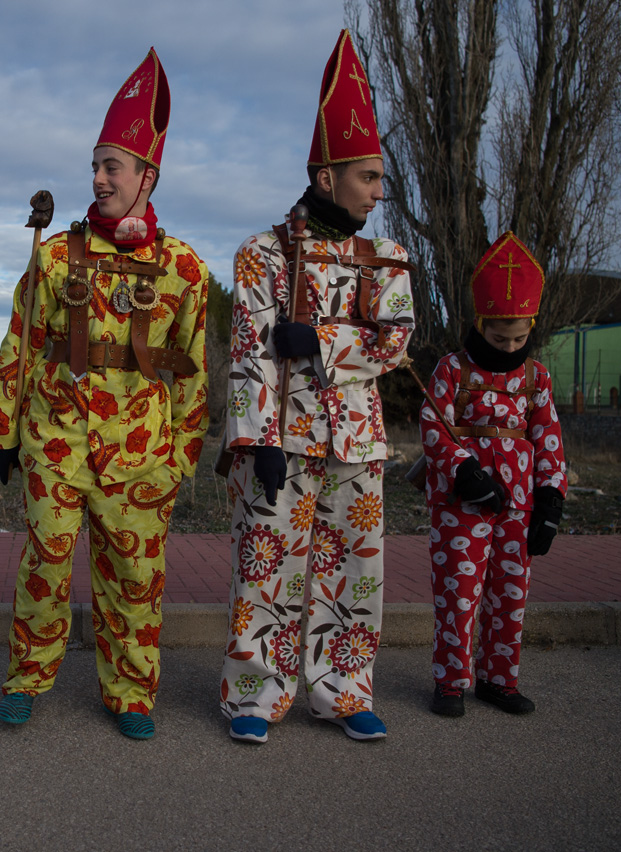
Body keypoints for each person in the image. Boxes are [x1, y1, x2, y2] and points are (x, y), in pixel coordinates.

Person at [0, 48, 210, 740]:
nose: (99, 177)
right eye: (95, 164)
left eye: (113, 166)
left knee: (135, 577)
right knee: (45, 562)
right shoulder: (53, 256)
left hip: (141, 458)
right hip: (56, 443)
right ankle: (27, 676)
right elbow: (19, 342)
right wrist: (2, 431)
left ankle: (131, 694)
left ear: (148, 176)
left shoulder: (183, 269)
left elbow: (194, 371)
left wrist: (182, 458)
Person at [219, 30, 414, 744]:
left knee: (356, 578)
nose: (379, 191)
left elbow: (396, 340)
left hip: (358, 447)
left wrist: (324, 341)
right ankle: (253, 695)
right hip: (285, 443)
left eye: (381, 179)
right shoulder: (263, 254)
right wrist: (258, 442)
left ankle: (343, 691)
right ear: (327, 175)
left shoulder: (386, 257)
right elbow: (249, 356)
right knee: (267, 570)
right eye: (369, 177)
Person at [421, 232, 566, 717]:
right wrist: (463, 472)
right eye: (498, 338)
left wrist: (549, 500)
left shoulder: (536, 378)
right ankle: (450, 680)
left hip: (517, 509)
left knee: (510, 594)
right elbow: (434, 427)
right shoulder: (451, 371)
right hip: (462, 505)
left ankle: (499, 679)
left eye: (519, 339)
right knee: (459, 594)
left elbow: (548, 437)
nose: (509, 347)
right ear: (478, 322)